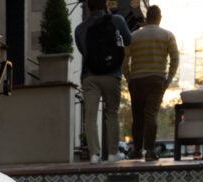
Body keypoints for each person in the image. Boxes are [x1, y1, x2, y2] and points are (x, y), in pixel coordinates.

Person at [75, 0, 132, 163]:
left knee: (91, 116)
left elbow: (83, 50)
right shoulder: (118, 20)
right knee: (112, 113)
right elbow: (128, 40)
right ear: (106, 4)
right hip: (112, 73)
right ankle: (113, 153)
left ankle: (94, 154)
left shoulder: (80, 28)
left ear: (88, 7)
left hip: (89, 76)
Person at [124, 5, 179, 161]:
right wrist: (168, 80)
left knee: (137, 116)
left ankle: (137, 151)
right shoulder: (168, 35)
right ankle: (149, 151)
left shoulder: (133, 36)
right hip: (156, 80)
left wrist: (129, 78)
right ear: (159, 18)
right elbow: (175, 59)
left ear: (146, 18)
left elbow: (124, 59)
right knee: (151, 115)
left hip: (137, 80)